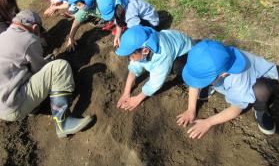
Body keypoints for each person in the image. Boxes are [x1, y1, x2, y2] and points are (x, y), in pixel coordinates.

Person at [0, 10, 93, 138]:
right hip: (14, 105)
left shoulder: (3, 36)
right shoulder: (29, 39)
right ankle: (63, 123)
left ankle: (34, 107)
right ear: (35, 28)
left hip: (3, 106)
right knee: (59, 67)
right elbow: (40, 69)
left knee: (21, 72)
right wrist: (49, 62)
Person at [177, 39, 279, 139]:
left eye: (203, 81)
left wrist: (208, 122)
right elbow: (194, 82)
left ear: (223, 74)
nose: (197, 84)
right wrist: (191, 109)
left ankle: (261, 109)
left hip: (258, 79)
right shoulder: (210, 56)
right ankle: (212, 84)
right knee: (201, 75)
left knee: (261, 91)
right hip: (221, 76)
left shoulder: (238, 79)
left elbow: (236, 108)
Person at [115, 25, 193, 111]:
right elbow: (134, 68)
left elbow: (155, 83)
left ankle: (189, 73)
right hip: (172, 44)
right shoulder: (143, 47)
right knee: (143, 62)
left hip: (187, 52)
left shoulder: (162, 55)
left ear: (145, 51)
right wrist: (126, 92)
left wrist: (138, 98)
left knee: (176, 67)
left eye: (132, 56)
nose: (130, 59)